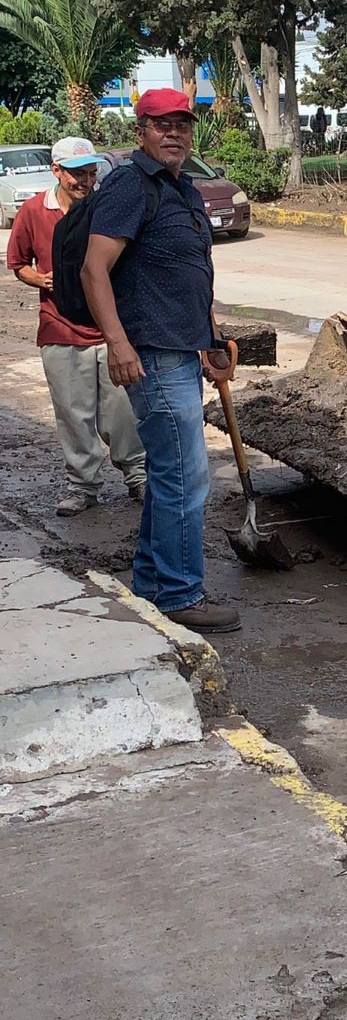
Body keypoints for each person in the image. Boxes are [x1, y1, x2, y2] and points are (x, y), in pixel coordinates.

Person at [80, 88, 241, 635]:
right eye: (161, 124)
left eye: (182, 124)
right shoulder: (131, 185)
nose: (174, 133)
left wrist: (213, 339)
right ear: (140, 131)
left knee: (173, 475)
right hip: (150, 354)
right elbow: (93, 270)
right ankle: (179, 594)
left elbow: (191, 274)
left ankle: (152, 583)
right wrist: (118, 344)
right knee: (186, 477)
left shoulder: (185, 191)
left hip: (183, 349)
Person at [6, 136, 146, 517]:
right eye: (76, 174)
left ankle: (138, 477)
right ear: (56, 171)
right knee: (73, 413)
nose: (85, 182)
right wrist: (42, 280)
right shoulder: (34, 211)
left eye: (90, 173)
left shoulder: (108, 208)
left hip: (111, 329)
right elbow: (18, 263)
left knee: (123, 411)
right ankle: (83, 486)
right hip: (59, 326)